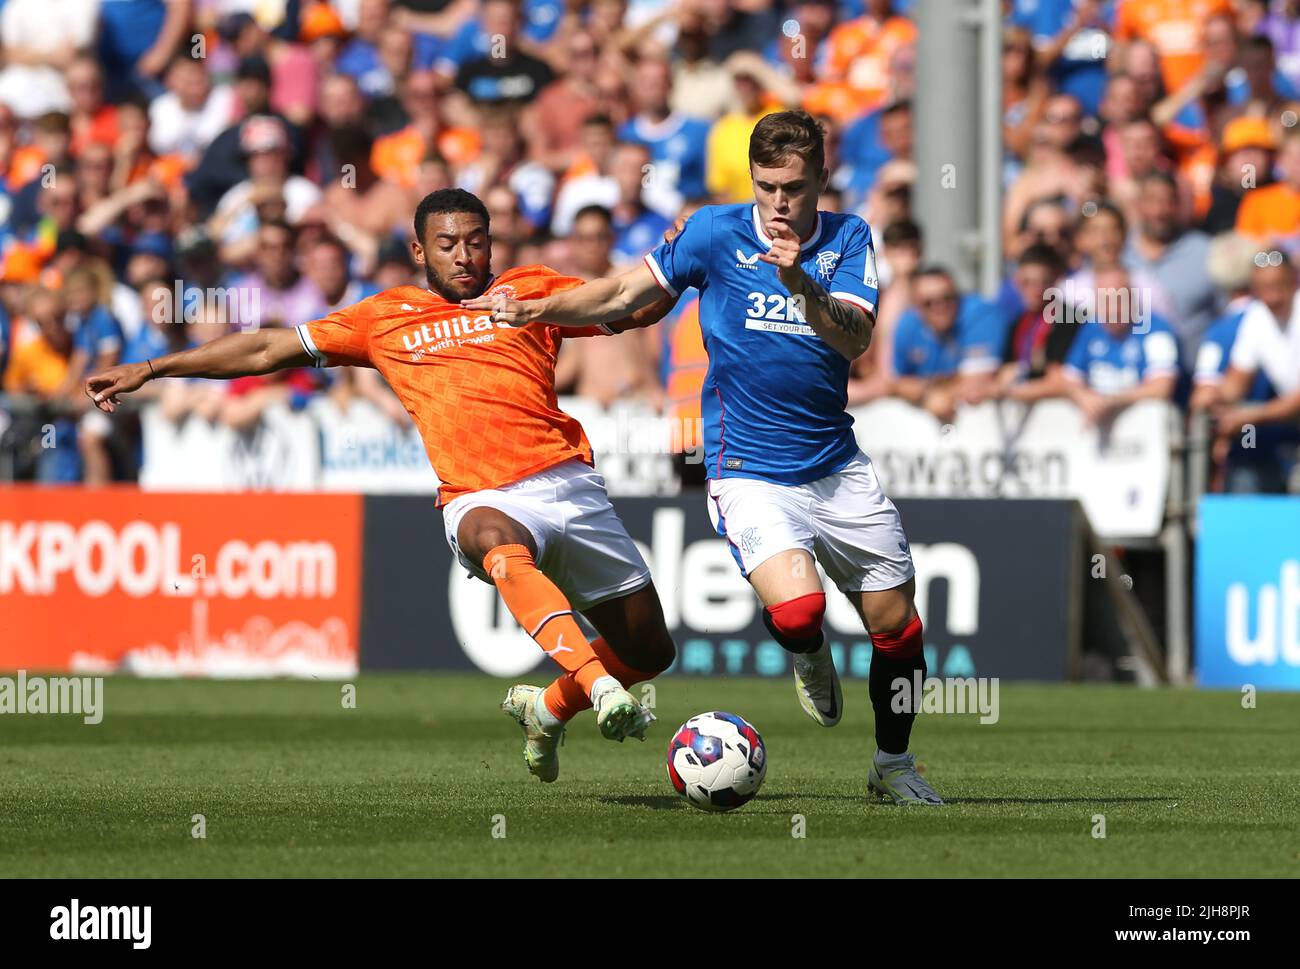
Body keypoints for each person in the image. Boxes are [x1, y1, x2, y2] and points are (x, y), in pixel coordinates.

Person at [85, 188, 679, 783]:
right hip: (479, 496)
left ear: (492, 243)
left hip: (569, 483)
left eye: (476, 242)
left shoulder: (531, 291)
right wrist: (152, 368)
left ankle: (545, 710)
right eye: (447, 245)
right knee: (494, 537)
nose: (464, 255)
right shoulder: (385, 318)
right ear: (420, 250)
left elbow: (635, 309)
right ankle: (599, 687)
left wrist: (681, 259)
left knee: (651, 651)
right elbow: (267, 346)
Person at [465, 110, 943, 805]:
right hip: (747, 466)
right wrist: (542, 309)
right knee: (802, 609)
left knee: (897, 625)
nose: (780, 202)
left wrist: (801, 284)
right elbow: (629, 292)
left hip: (835, 462)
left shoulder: (850, 238)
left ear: (820, 181)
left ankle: (893, 764)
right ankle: (807, 655)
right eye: (768, 185)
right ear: (751, 178)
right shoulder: (714, 232)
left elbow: (854, 342)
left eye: (796, 187)